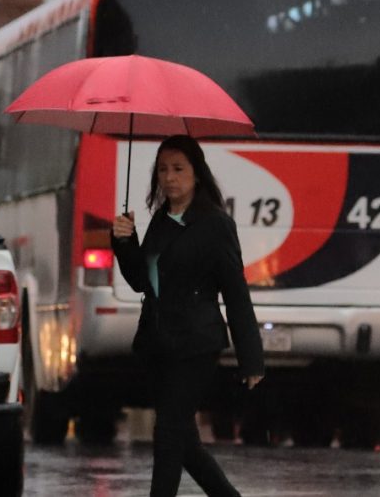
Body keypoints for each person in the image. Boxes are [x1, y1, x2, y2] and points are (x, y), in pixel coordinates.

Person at [112, 135, 264, 497]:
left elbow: (236, 293)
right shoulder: (162, 220)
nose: (169, 178)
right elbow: (141, 282)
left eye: (179, 169)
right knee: (185, 444)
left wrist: (251, 358)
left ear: (197, 174)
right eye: (163, 170)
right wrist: (124, 241)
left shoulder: (215, 225)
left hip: (196, 343)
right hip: (159, 343)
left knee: (167, 433)